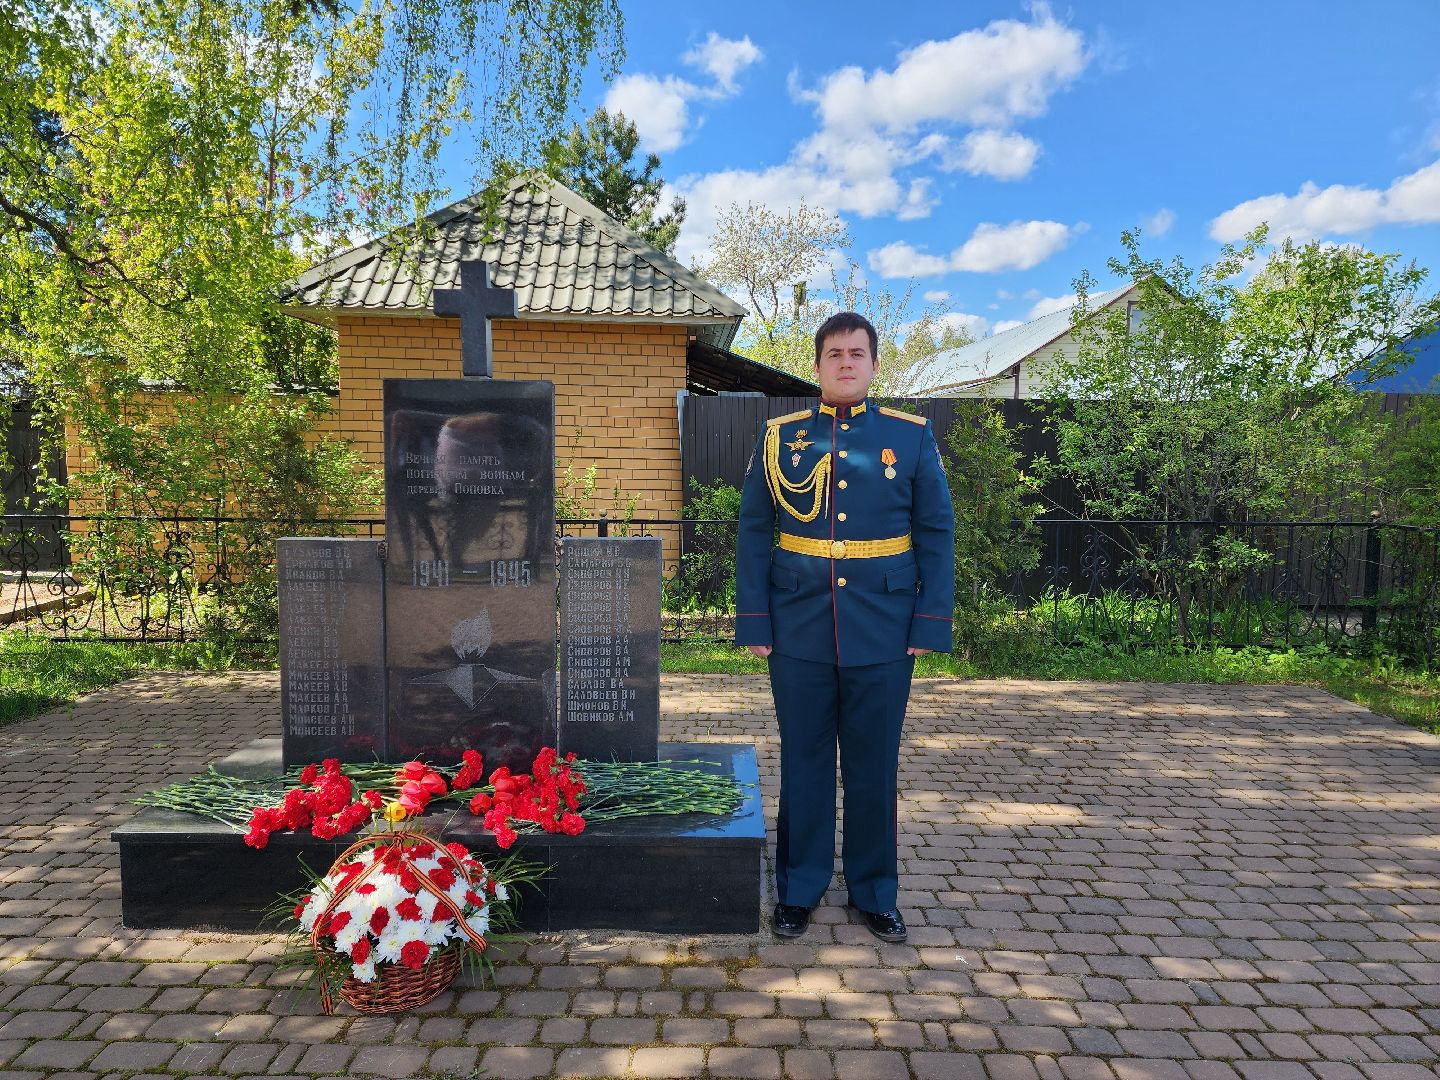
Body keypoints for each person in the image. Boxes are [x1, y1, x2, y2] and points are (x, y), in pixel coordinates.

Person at [735, 311, 955, 943]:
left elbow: (936, 533)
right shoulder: (781, 437)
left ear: (875, 363)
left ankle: (875, 891)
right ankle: (799, 888)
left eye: (857, 353)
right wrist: (755, 617)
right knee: (803, 762)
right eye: (834, 354)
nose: (846, 363)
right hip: (797, 622)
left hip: (884, 626)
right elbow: (754, 531)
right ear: (817, 365)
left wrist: (929, 621)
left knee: (873, 765)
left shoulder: (909, 438)